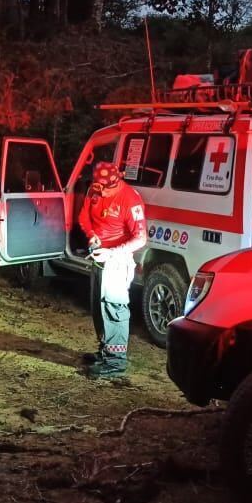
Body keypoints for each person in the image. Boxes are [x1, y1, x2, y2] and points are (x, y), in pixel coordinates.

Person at [78, 162, 148, 379]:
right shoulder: (95, 190)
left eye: (105, 188)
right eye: (98, 186)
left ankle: (115, 364)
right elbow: (83, 217)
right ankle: (105, 352)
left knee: (114, 308)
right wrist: (92, 236)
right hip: (99, 257)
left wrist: (112, 252)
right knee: (98, 308)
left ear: (117, 181)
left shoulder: (130, 200)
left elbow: (141, 238)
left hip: (117, 261)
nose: (101, 191)